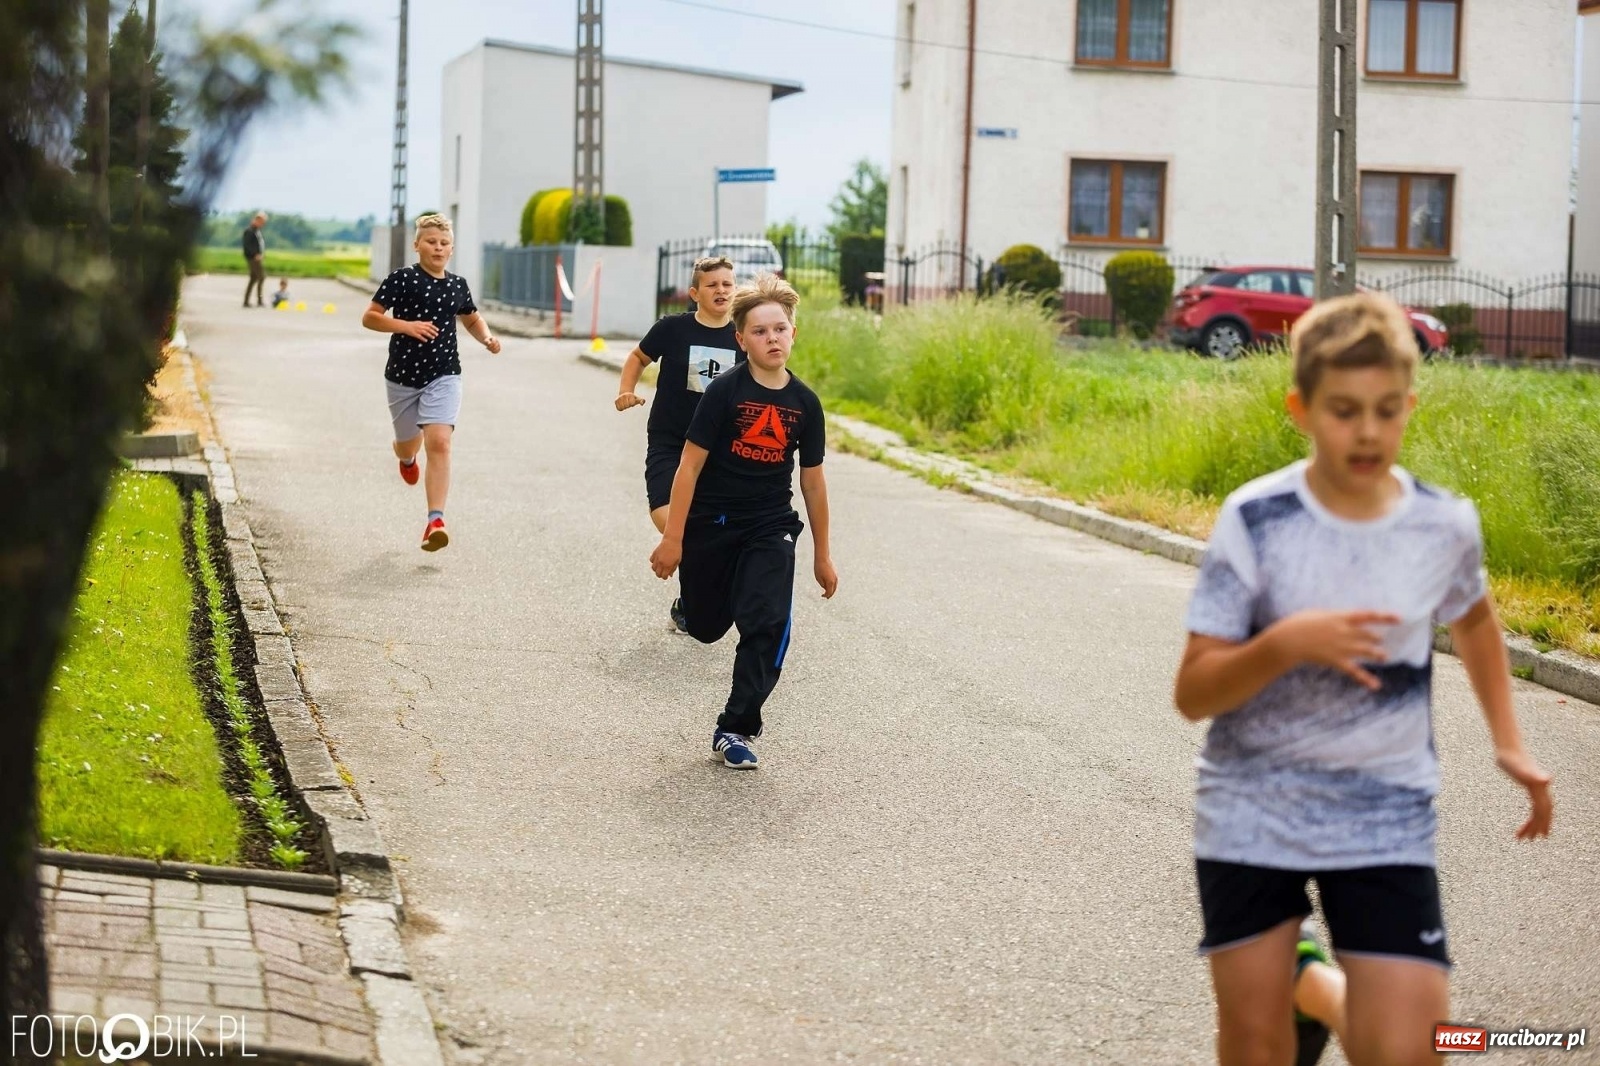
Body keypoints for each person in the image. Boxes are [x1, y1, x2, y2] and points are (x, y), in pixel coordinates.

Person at [1172, 292, 1554, 1066]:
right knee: (1255, 1047)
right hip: (1253, 807)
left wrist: (1508, 742)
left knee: (1411, 1050)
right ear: (1300, 409)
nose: (1369, 431)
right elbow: (1193, 693)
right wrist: (1284, 644)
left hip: (1384, 809)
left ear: (1411, 405)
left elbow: (1474, 618)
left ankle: (1313, 988)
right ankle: (1301, 991)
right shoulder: (1257, 519)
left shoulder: (1442, 524)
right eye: (1344, 410)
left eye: (1387, 410)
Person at [649, 274, 838, 770]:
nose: (772, 338)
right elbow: (688, 466)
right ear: (741, 340)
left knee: (768, 621)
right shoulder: (724, 393)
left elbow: (813, 483)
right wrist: (674, 538)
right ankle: (692, 608)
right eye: (760, 331)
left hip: (770, 524)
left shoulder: (805, 404)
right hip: (712, 522)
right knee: (708, 628)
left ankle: (735, 727)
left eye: (780, 329)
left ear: (793, 333)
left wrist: (822, 553)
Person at [615, 256, 742, 631]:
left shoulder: (742, 334)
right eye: (712, 285)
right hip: (671, 442)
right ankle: (697, 593)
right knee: (669, 520)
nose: (721, 290)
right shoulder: (673, 329)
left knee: (712, 529)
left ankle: (691, 602)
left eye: (727, 284)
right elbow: (638, 357)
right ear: (694, 293)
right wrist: (626, 390)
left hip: (719, 450)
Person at [361, 213, 500, 551]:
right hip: (403, 378)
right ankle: (406, 457)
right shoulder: (402, 279)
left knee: (439, 442)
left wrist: (486, 337)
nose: (438, 248)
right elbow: (370, 318)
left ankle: (435, 520)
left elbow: (471, 317)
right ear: (417, 244)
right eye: (431, 242)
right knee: (410, 444)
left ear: (451, 248)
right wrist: (406, 326)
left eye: (444, 243)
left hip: (444, 374)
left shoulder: (457, 285)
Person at [242, 212, 267, 308]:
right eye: (262, 221)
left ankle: (246, 301)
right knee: (262, 277)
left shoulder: (257, 231)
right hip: (252, 258)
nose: (263, 224)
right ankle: (259, 300)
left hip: (257, 257)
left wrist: (261, 254)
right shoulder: (249, 231)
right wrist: (255, 254)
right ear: (257, 220)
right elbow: (247, 245)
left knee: (253, 279)